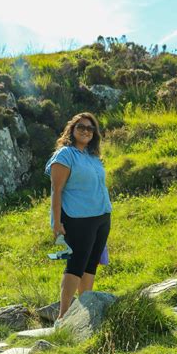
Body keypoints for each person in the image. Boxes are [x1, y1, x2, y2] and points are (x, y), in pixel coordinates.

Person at [44, 112, 112, 324]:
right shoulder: (65, 154)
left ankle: (84, 312)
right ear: (72, 130)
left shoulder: (92, 157)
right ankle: (63, 317)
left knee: (90, 265)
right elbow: (56, 189)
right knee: (76, 264)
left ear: (94, 134)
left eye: (90, 128)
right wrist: (56, 222)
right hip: (78, 218)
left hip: (101, 217)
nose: (85, 131)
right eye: (81, 127)